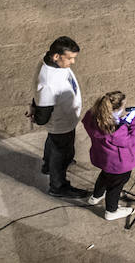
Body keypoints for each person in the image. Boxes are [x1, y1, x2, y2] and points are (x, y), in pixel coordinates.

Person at [32, 35, 85, 198]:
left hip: (65, 120)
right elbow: (42, 118)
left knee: (54, 145)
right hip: (61, 124)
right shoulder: (48, 84)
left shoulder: (49, 59)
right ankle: (58, 186)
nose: (73, 63)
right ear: (56, 56)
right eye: (70, 58)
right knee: (61, 153)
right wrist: (36, 111)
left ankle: (48, 166)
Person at [81, 91, 135, 220]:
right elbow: (130, 140)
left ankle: (96, 196)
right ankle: (111, 211)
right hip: (118, 164)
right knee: (115, 187)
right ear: (116, 109)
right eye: (123, 107)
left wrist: (122, 121)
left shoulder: (92, 116)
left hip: (102, 157)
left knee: (104, 176)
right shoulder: (115, 131)